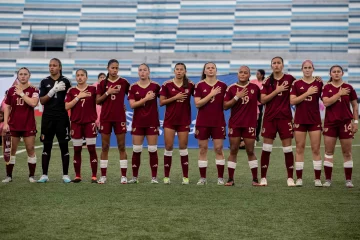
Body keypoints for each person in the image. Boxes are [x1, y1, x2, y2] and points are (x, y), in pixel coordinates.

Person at [260, 56, 296, 187]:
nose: (276, 65)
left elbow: (302, 86)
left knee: (287, 148)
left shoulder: (290, 79)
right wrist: (277, 91)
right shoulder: (266, 81)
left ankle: (290, 178)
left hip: (285, 118)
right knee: (266, 148)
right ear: (271, 66)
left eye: (278, 63)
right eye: (274, 63)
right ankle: (263, 177)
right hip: (269, 118)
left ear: (282, 65)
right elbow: (263, 100)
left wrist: (317, 79)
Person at [322, 65, 358, 188]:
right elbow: (326, 102)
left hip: (346, 123)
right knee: (328, 151)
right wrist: (339, 94)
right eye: (334, 72)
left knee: (347, 152)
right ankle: (328, 180)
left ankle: (348, 180)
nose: (336, 73)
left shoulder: (349, 87)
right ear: (330, 74)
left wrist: (356, 122)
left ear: (342, 73)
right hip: (330, 123)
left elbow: (355, 106)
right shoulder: (327, 87)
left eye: (338, 71)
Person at [224, 66, 261, 186]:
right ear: (237, 74)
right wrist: (236, 97)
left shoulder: (255, 88)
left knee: (250, 151)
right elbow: (225, 106)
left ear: (249, 75)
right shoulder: (232, 88)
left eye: (246, 72)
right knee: (233, 150)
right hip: (235, 124)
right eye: (241, 72)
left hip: (249, 124)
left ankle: (255, 179)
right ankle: (230, 179)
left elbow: (263, 100)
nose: (243, 74)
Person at [2, 67, 39, 183]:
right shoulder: (11, 90)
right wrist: (6, 123)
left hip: (28, 124)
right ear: (18, 76)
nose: (23, 76)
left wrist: (22, 94)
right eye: (21, 74)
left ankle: (31, 176)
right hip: (13, 125)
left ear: (29, 76)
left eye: (25, 74)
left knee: (30, 149)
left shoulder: (34, 90)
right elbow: (7, 107)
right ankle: (9, 176)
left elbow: (33, 103)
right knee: (11, 150)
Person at [159, 63, 194, 185]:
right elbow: (161, 102)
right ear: (174, 71)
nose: (179, 71)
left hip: (184, 120)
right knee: (168, 147)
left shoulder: (190, 85)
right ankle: (166, 176)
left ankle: (185, 177)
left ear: (185, 71)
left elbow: (199, 97)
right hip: (170, 120)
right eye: (177, 69)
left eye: (181, 69)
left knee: (183, 147)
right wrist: (175, 97)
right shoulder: (166, 85)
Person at [38, 58, 72, 183]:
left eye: (54, 65)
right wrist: (53, 91)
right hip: (48, 117)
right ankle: (44, 175)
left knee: (64, 145)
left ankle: (65, 175)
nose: (51, 67)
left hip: (62, 117)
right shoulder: (44, 81)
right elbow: (41, 101)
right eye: (50, 65)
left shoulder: (66, 81)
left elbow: (71, 99)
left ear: (60, 67)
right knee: (46, 145)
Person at [290, 60, 323, 187]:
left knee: (316, 149)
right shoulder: (296, 83)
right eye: (305, 67)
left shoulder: (319, 82)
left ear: (313, 69)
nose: (307, 69)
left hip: (314, 120)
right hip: (300, 120)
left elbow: (325, 99)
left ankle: (317, 179)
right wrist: (307, 93)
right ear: (302, 69)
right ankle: (299, 178)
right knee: (299, 148)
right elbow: (292, 101)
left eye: (310, 67)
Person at [96, 59, 130, 184]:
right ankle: (103, 176)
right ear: (108, 68)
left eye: (116, 68)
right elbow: (98, 101)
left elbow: (131, 96)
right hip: (105, 118)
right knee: (105, 147)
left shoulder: (124, 82)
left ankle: (124, 176)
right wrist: (108, 92)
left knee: (122, 146)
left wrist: (124, 105)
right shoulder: (102, 83)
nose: (114, 70)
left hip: (119, 118)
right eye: (112, 68)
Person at [194, 62, 227, 185]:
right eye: (208, 68)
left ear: (216, 71)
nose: (210, 69)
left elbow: (226, 104)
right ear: (204, 71)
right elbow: (198, 103)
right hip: (203, 121)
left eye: (213, 68)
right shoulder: (199, 85)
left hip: (218, 121)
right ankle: (203, 178)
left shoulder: (223, 86)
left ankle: (220, 178)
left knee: (218, 148)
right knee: (203, 148)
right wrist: (211, 94)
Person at [128, 63, 161, 184]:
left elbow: (163, 100)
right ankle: (135, 177)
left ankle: (154, 177)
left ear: (149, 72)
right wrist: (146, 99)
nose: (142, 72)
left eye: (145, 70)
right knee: (136, 149)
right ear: (138, 72)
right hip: (138, 122)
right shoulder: (133, 87)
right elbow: (132, 105)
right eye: (140, 70)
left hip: (152, 121)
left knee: (152, 149)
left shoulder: (156, 86)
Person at [65, 69, 98, 183]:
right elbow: (67, 106)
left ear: (86, 77)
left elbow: (100, 102)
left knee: (91, 149)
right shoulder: (72, 91)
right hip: (76, 123)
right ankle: (77, 176)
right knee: (77, 149)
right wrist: (78, 97)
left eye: (82, 75)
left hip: (90, 123)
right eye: (78, 75)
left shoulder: (93, 90)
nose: (80, 77)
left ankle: (94, 176)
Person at [250, 69, 265, 142]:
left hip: (260, 104)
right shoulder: (252, 81)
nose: (257, 75)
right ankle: (250, 133)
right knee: (251, 119)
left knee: (258, 120)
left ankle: (257, 135)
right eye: (256, 73)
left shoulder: (264, 83)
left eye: (258, 74)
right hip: (252, 103)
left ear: (262, 75)